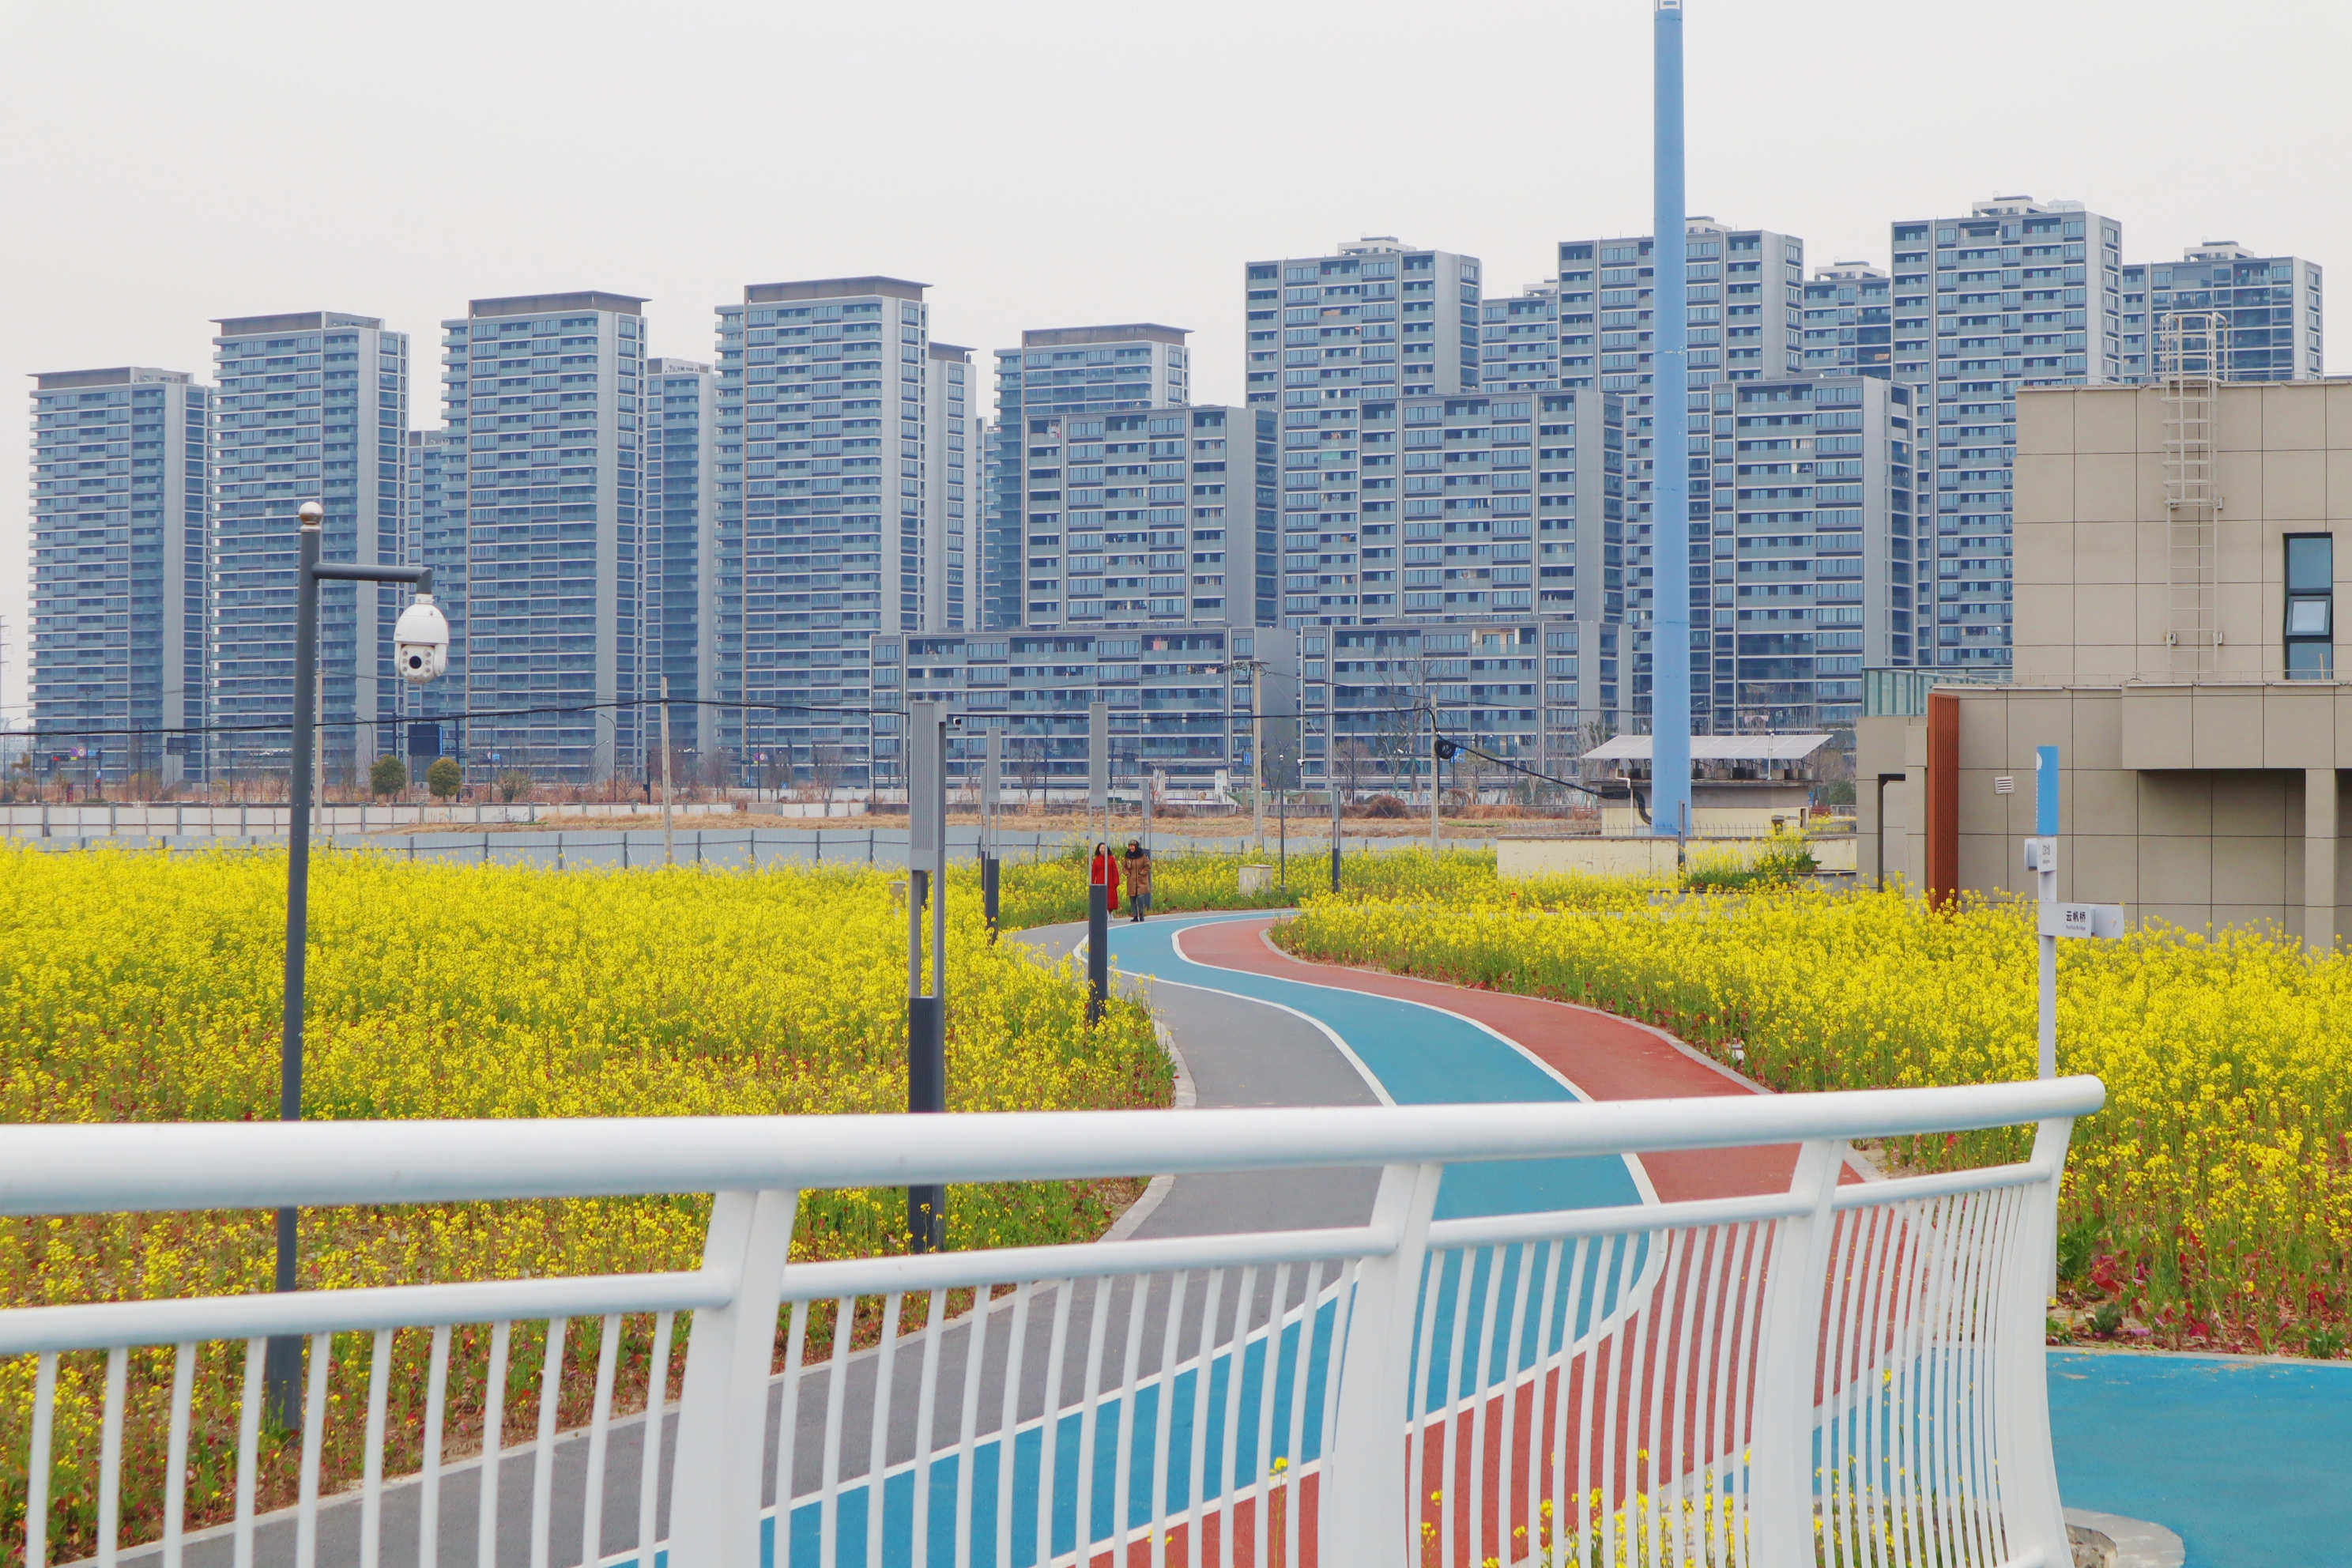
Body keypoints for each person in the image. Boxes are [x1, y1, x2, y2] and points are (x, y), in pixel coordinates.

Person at [1123, 840, 1153, 922]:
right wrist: (1128, 874)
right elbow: (1124, 867)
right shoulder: (1128, 856)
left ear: (1136, 847)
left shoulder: (1142, 856)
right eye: (1130, 846)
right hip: (1131, 881)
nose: (1131, 848)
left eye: (1132, 846)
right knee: (1132, 898)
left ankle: (1141, 915)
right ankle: (1135, 916)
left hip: (1141, 881)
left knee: (1140, 898)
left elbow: (1148, 866)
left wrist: (1142, 873)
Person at [1089, 841, 1121, 915]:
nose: (1103, 850)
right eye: (1101, 848)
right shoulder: (1096, 860)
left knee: (1111, 899)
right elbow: (1093, 873)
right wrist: (1093, 883)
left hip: (1111, 882)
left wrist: (1116, 882)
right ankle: (1103, 914)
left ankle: (1110, 913)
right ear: (1099, 849)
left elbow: (1115, 871)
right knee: (1101, 899)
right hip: (1100, 882)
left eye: (1104, 848)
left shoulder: (1111, 859)